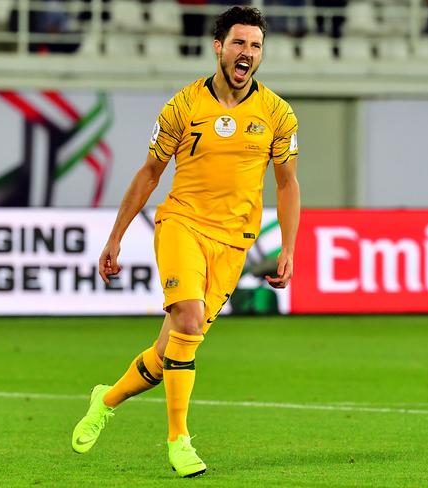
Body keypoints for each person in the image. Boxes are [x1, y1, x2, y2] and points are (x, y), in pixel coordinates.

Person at [71, 6, 300, 478]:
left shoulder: (278, 113)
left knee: (172, 349)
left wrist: (290, 247)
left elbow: (288, 184)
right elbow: (150, 172)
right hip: (182, 224)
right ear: (219, 47)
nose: (247, 53)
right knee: (190, 321)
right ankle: (179, 441)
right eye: (239, 43)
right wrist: (115, 236)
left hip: (235, 242)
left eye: (255, 46)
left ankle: (105, 400)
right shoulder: (183, 106)